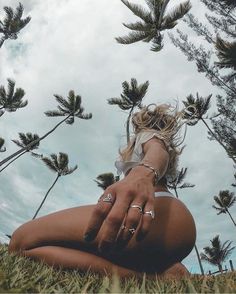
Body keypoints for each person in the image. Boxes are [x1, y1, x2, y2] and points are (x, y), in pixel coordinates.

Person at [8, 104, 196, 278]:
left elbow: (157, 152)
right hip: (176, 223)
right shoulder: (161, 141)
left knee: (21, 240)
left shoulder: (148, 135)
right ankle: (158, 270)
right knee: (30, 245)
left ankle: (147, 280)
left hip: (157, 215)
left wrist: (143, 174)